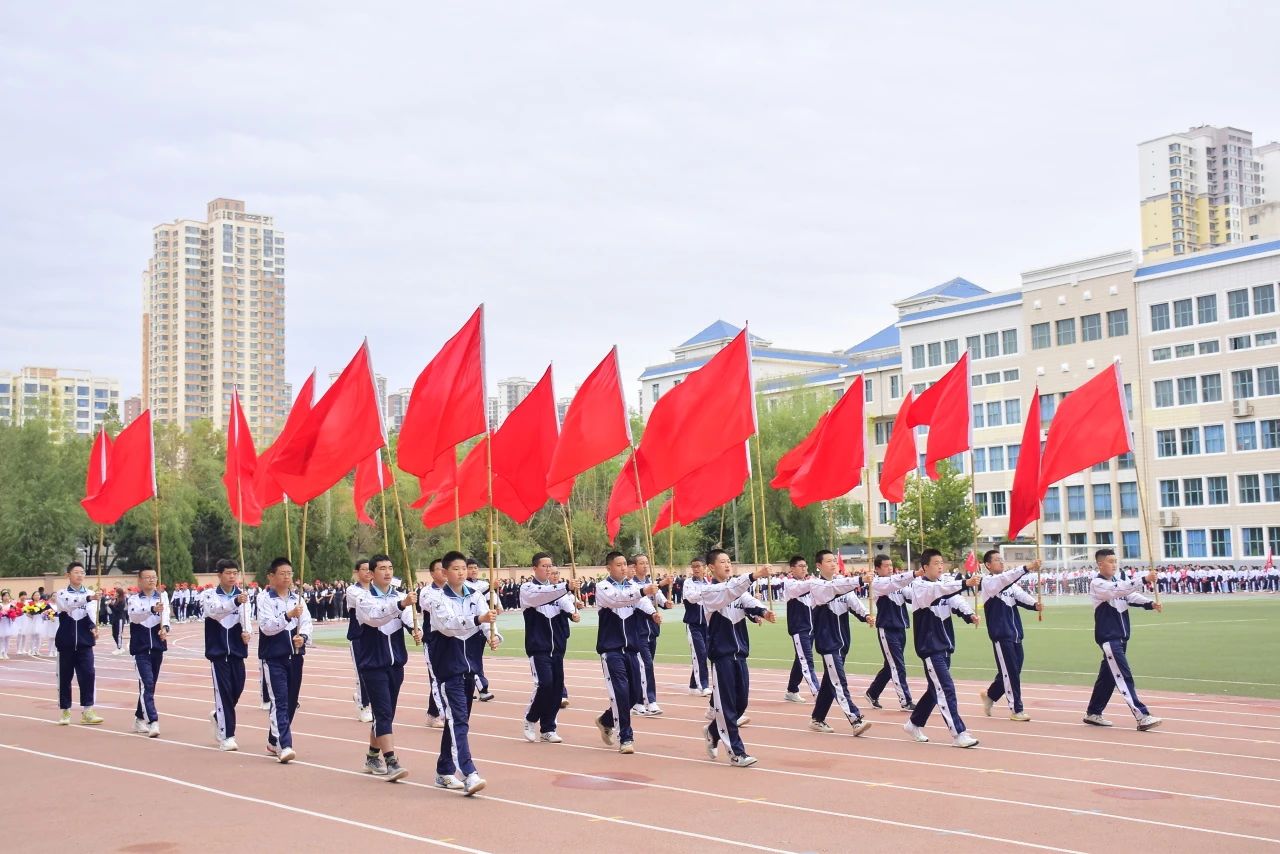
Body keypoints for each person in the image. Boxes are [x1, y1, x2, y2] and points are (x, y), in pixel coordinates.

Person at [695, 549, 773, 767]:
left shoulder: (736, 590)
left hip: (740, 655)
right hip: (722, 656)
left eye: (729, 561)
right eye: (722, 562)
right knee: (727, 707)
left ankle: (712, 731)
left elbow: (747, 601)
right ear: (711, 567)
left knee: (741, 703)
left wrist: (763, 612)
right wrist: (754, 576)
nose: (727, 565)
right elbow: (731, 591)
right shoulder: (710, 591)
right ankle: (736, 753)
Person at [429, 550, 497, 794]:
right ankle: (468, 772)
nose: (460, 572)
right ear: (445, 573)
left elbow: (488, 622)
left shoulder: (476, 595)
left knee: (458, 721)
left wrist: (493, 635)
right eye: (455, 569)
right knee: (458, 720)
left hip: (471, 668)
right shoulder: (438, 599)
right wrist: (478, 619)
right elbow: (448, 626)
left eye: (463, 568)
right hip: (449, 668)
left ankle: (444, 770)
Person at [903, 549, 982, 748]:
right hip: (930, 647)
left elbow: (956, 600)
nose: (940, 566)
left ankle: (914, 723)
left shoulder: (942, 585)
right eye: (936, 563)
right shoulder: (920, 587)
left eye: (942, 562)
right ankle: (958, 733)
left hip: (945, 646)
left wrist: (970, 615)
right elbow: (940, 592)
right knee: (945, 688)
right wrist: (965, 583)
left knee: (934, 689)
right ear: (925, 567)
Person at [355, 553, 421, 782]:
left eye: (390, 567)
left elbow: (409, 618)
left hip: (396, 664)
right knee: (383, 712)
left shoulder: (401, 596)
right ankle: (391, 761)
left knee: (387, 714)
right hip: (373, 664)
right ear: (371, 574)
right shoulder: (364, 598)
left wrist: (415, 629)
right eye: (382, 568)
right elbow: (375, 618)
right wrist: (401, 604)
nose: (387, 572)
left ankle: (372, 756)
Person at [1084, 549, 1163, 731]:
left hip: (1121, 638)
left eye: (1115, 561)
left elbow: (1130, 596)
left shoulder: (1117, 582)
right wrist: (1144, 579)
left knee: (1108, 677)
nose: (1114, 564)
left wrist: (1149, 604)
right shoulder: (1098, 584)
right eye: (1110, 561)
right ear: (1100, 564)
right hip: (1109, 638)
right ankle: (1142, 715)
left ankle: (1093, 712)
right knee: (1123, 675)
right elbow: (1117, 591)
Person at [593, 550, 660, 755]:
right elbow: (617, 599)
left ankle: (606, 720)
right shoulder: (603, 587)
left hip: (632, 647)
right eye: (619, 564)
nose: (623, 567)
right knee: (620, 692)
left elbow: (642, 602)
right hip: (611, 649)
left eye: (625, 564)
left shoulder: (632, 586)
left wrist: (653, 613)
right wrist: (643, 591)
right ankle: (626, 737)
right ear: (609, 567)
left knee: (635, 694)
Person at [808, 550, 874, 736]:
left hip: (842, 641)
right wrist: (860, 580)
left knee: (831, 681)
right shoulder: (817, 585)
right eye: (828, 561)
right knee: (839, 681)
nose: (832, 564)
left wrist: (866, 615)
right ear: (819, 565)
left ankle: (817, 718)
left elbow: (853, 602)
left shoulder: (841, 585)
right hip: (828, 642)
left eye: (834, 561)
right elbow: (834, 589)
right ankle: (855, 719)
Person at [519, 553, 580, 743]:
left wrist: (573, 611)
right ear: (534, 568)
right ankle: (530, 719)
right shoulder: (528, 589)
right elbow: (545, 595)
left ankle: (548, 727)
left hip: (557, 648)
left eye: (550, 566)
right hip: (539, 647)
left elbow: (565, 603)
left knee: (556, 688)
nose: (548, 569)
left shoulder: (556, 590)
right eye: (544, 566)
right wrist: (566, 587)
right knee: (544, 684)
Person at [257, 558, 312, 763]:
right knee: (279, 701)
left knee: (290, 702)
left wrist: (303, 637)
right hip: (274, 657)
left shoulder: (297, 599)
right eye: (282, 573)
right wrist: (288, 616)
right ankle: (284, 745)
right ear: (271, 576)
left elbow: (306, 622)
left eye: (289, 573)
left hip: (296, 656)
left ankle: (273, 739)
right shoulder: (265, 600)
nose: (287, 577)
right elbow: (267, 627)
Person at [977, 551, 1042, 721]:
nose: (1001, 563)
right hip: (1001, 634)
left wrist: (1035, 604)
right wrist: (1027, 567)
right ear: (988, 565)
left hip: (1015, 634)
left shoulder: (1010, 585)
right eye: (997, 560)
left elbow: (1021, 596)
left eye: (1002, 560)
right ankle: (1016, 710)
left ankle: (990, 695)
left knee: (1012, 670)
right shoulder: (989, 582)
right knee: (1010, 672)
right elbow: (1006, 579)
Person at [201, 558, 252, 751]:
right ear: (219, 575)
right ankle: (227, 735)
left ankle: (218, 716)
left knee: (237, 688)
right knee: (223, 694)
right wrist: (235, 601)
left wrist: (248, 632)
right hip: (219, 650)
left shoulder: (243, 596)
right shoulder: (209, 595)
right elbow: (214, 612)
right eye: (228, 573)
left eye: (235, 573)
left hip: (238, 651)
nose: (232, 577)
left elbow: (247, 618)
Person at [52, 562, 103, 726]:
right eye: (76, 572)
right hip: (66, 643)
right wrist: (89, 598)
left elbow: (90, 615)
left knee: (88, 675)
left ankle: (88, 710)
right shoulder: (61, 593)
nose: (80, 575)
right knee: (64, 678)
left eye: (82, 572)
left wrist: (94, 627)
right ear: (68, 575)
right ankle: (65, 710)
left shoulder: (91, 593)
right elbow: (69, 604)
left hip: (84, 643)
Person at [865, 554, 916, 711]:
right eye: (886, 565)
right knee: (898, 665)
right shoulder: (878, 583)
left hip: (901, 628)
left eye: (891, 565)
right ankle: (905, 700)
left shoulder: (897, 583)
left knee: (891, 665)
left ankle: (872, 693)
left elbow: (911, 595)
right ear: (878, 568)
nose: (890, 568)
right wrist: (914, 574)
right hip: (887, 629)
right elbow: (892, 584)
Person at [126, 567, 170, 737]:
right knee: (147, 683)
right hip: (141, 647)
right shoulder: (134, 599)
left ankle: (139, 718)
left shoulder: (162, 596)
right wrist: (152, 609)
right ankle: (153, 720)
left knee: (149, 686)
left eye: (154, 577)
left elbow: (165, 614)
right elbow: (134, 616)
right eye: (147, 577)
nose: (151, 580)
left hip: (157, 646)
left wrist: (165, 627)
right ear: (140, 580)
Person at [629, 553, 670, 715]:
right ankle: (650, 701)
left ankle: (637, 701)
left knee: (643, 667)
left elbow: (659, 599)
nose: (645, 566)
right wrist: (654, 613)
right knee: (646, 665)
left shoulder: (651, 584)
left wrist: (666, 603)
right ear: (634, 566)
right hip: (638, 632)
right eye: (641, 563)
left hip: (652, 631)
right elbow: (643, 602)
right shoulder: (631, 585)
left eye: (647, 563)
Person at [782, 555, 819, 703]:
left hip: (811, 628)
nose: (804, 568)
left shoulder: (808, 584)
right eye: (801, 566)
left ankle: (792, 690)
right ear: (792, 568)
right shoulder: (790, 584)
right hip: (799, 628)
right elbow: (805, 587)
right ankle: (819, 692)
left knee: (800, 659)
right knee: (807, 661)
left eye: (805, 566)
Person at [346, 559, 374, 723]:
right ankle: (364, 706)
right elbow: (365, 603)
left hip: (374, 636)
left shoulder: (377, 589)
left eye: (370, 569)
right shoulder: (352, 590)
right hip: (358, 636)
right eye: (363, 569)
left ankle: (363, 697)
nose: (367, 572)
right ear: (357, 572)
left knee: (374, 671)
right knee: (361, 671)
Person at [420, 558, 447, 728]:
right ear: (431, 573)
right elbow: (433, 607)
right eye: (439, 569)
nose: (443, 571)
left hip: (450, 640)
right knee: (436, 678)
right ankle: (441, 714)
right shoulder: (426, 592)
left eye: (445, 568)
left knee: (445, 676)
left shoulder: (456, 590)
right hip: (433, 640)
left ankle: (432, 713)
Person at [682, 558, 711, 696]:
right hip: (693, 625)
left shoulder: (708, 582)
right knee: (700, 653)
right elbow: (691, 598)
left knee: (705, 653)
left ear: (705, 567)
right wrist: (707, 592)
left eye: (698, 566)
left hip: (707, 624)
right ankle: (703, 685)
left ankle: (693, 684)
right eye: (693, 567)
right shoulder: (688, 583)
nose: (696, 569)